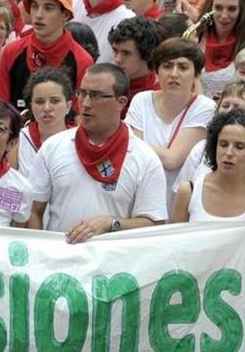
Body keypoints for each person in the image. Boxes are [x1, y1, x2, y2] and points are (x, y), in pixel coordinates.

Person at [27, 63, 167, 241]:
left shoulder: (144, 158)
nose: (85, 103)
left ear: (121, 102)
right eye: (82, 93)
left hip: (113, 265)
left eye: (96, 96)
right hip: (59, 262)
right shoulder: (53, 147)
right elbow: (33, 210)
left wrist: (112, 223)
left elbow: (154, 224)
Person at [125, 38, 216, 207]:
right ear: (156, 71)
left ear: (196, 75)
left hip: (176, 205)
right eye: (167, 66)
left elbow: (172, 160)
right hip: (137, 197)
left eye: (183, 67)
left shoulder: (204, 107)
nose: (174, 73)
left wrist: (134, 143)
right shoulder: (141, 100)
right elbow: (132, 156)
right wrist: (132, 145)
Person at [0, 0, 93, 109]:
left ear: (65, 14)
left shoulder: (82, 60)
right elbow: (1, 108)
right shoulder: (11, 51)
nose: (39, 14)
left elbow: (78, 117)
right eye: (35, 6)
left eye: (48, 8)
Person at [172, 110, 245, 222]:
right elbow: (175, 238)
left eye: (239, 147)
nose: (229, 153)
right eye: (223, 144)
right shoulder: (189, 192)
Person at [174, 80, 245, 189]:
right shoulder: (201, 148)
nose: (229, 111)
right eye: (225, 106)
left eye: (237, 108)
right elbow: (181, 192)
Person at [10, 67, 73, 177]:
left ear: (68, 106)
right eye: (39, 102)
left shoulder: (79, 139)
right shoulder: (18, 140)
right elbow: (7, 187)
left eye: (55, 101)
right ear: (31, 107)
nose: (47, 108)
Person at [195, 0, 245, 99]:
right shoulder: (195, 37)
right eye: (218, 7)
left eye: (231, 9)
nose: (224, 15)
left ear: (242, 10)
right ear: (210, 6)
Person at [108, 16, 161, 104]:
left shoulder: (157, 96)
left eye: (126, 53)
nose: (117, 60)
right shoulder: (105, 86)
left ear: (148, 55)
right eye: (115, 51)